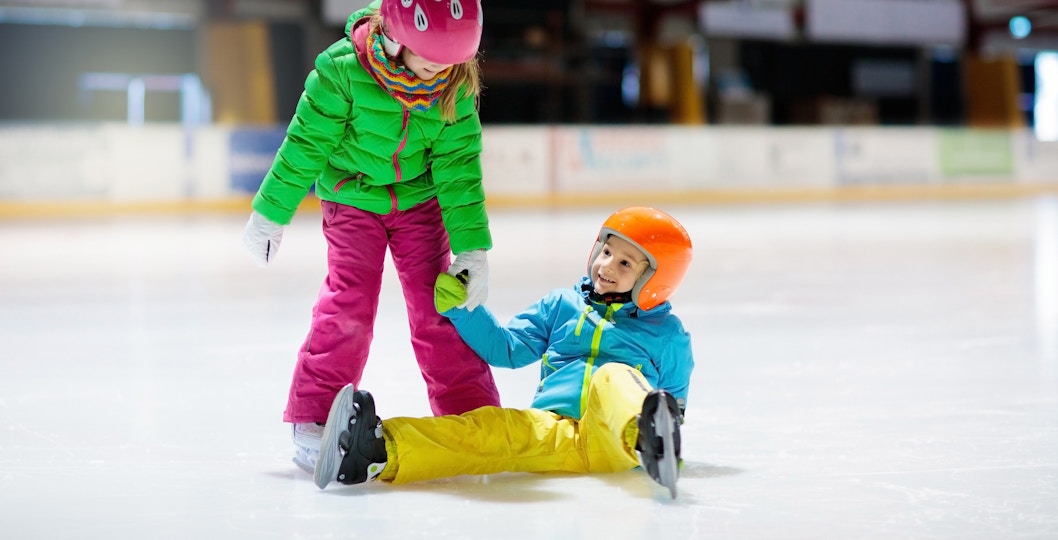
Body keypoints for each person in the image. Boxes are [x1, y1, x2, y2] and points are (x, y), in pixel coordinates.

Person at [241, 0, 500, 472]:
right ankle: (315, 417)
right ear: (397, 38)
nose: (439, 72)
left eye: (450, 63)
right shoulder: (342, 70)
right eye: (429, 61)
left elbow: (459, 167)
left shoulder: (453, 82)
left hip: (419, 203)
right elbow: (306, 144)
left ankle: (471, 413)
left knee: (441, 307)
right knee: (350, 304)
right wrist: (271, 213)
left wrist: (471, 249)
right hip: (353, 199)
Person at [313, 206, 695, 497]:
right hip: (553, 430)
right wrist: (464, 310)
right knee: (489, 429)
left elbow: (673, 403)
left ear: (655, 279)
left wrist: (659, 426)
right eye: (607, 251)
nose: (607, 265)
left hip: (616, 439)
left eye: (625, 262)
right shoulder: (562, 306)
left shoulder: (667, 335)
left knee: (613, 377)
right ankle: (376, 450)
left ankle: (649, 439)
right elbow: (507, 348)